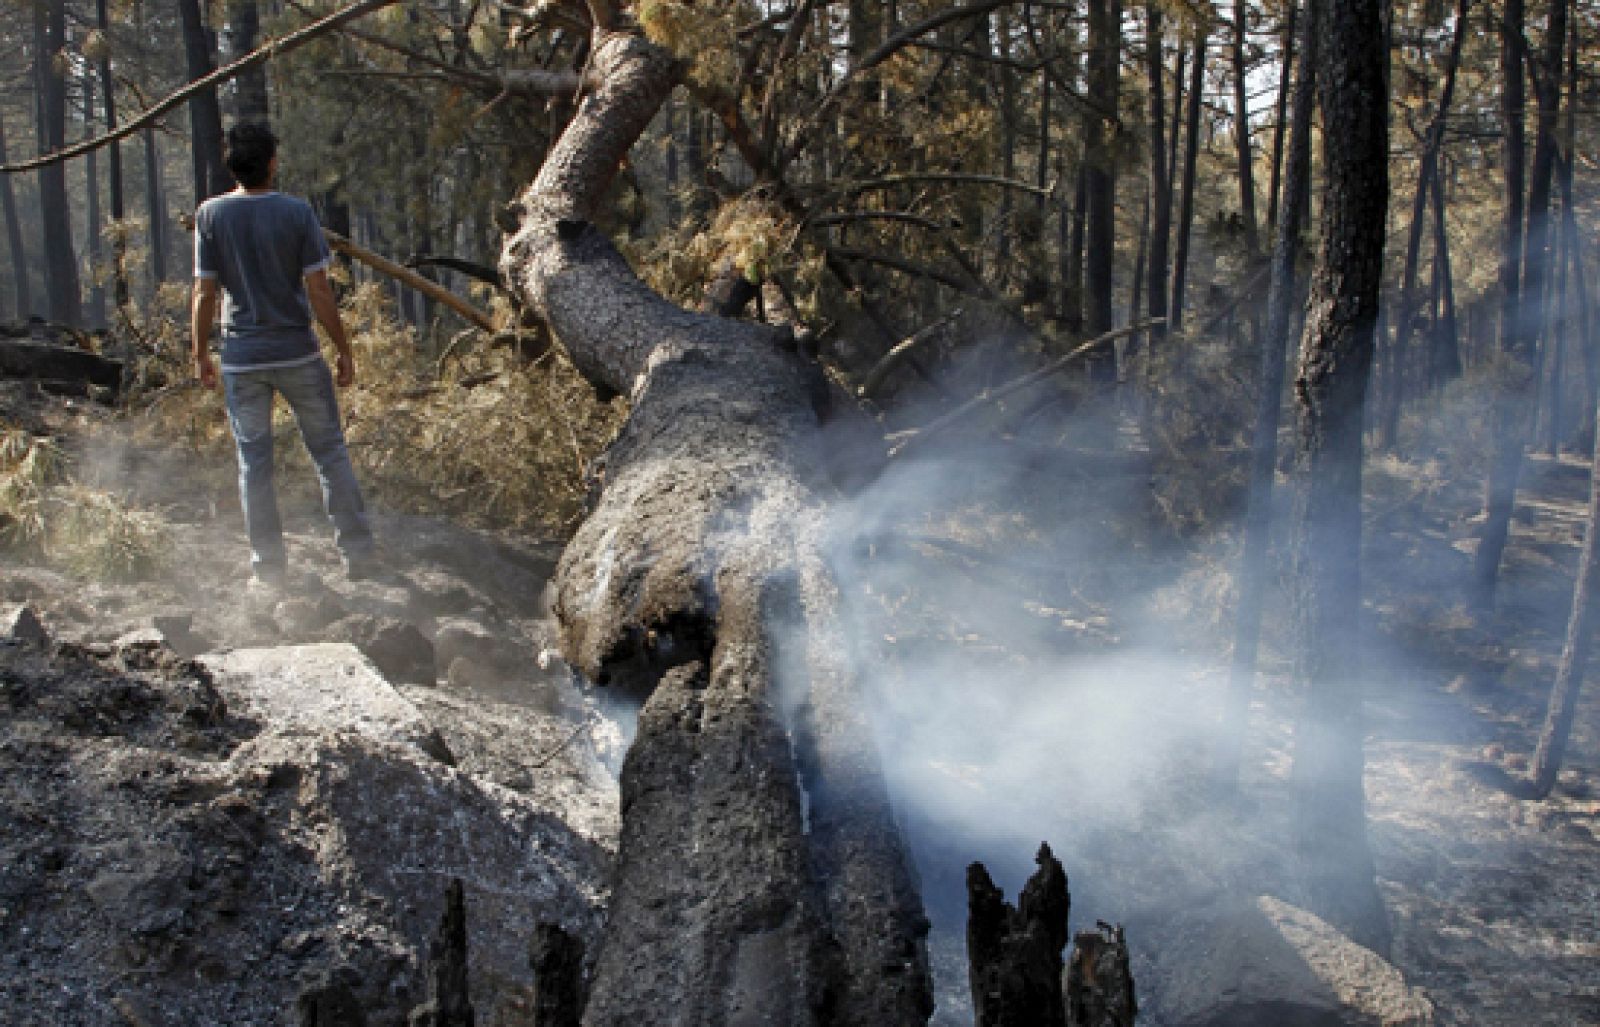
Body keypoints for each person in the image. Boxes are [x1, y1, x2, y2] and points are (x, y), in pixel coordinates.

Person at [191, 122, 378, 583]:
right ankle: (358, 557)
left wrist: (200, 354)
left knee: (254, 465)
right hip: (297, 353)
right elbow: (319, 290)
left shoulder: (211, 215)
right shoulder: (296, 213)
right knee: (329, 452)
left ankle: (268, 571)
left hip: (242, 357)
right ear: (272, 163)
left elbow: (204, 292)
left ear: (232, 166)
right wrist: (343, 348)